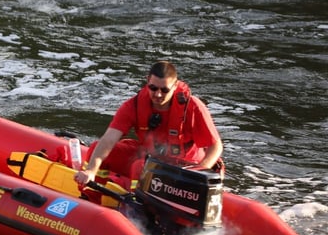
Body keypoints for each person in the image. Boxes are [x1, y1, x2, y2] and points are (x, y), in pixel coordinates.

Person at [74, 60, 223, 188]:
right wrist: (91, 170)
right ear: (147, 82)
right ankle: (92, 197)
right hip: (150, 156)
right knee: (96, 149)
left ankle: (138, 212)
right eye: (153, 88)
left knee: (141, 167)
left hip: (185, 165)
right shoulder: (134, 105)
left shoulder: (193, 107)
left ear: (175, 85)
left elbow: (215, 146)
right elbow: (109, 139)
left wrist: (198, 172)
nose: (158, 94)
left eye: (164, 90)